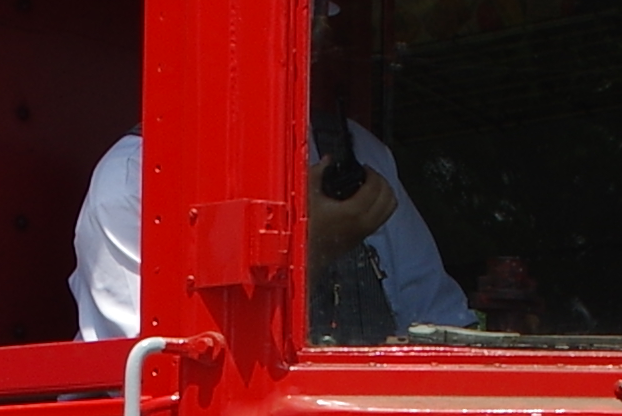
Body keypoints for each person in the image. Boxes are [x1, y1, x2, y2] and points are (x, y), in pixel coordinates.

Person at [69, 128, 476, 343]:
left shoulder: (360, 150)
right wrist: (312, 249)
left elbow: (438, 318)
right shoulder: (136, 180)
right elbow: (165, 382)